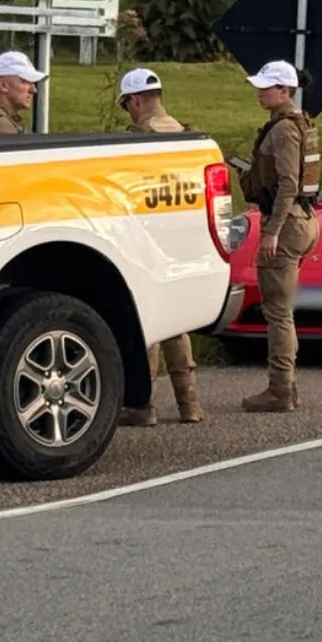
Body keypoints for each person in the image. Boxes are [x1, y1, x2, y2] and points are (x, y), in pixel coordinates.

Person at [115, 68, 204, 426]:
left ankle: (143, 406)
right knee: (178, 323)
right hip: (181, 238)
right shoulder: (185, 134)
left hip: (148, 239)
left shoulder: (138, 139)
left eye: (127, 106)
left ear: (135, 101)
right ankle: (190, 404)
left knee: (147, 322)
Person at [238, 60, 321, 413]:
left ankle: (280, 389)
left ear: (284, 90)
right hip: (304, 220)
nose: (259, 92)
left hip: (287, 225)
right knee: (281, 308)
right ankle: (286, 386)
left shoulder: (284, 130)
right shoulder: (299, 123)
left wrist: (271, 231)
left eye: (266, 87)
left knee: (278, 311)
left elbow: (288, 183)